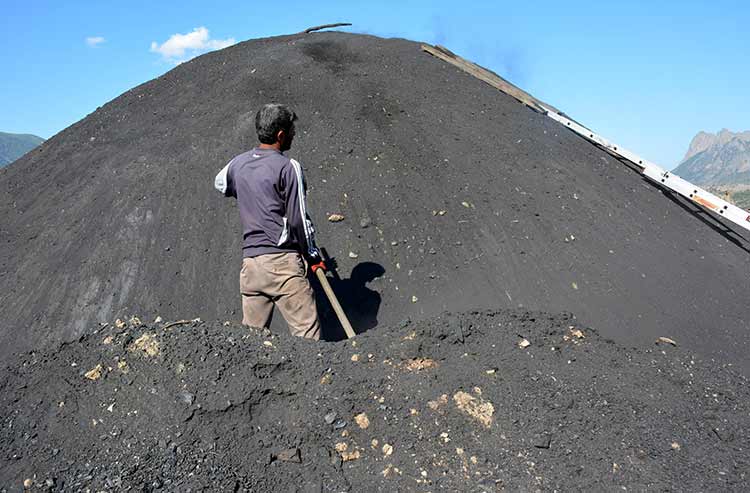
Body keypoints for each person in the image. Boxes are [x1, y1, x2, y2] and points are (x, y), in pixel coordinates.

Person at [214, 103, 323, 340]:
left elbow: (220, 182)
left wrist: (249, 190)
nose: (294, 134)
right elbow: (298, 219)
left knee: (251, 343)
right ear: (281, 135)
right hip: (282, 264)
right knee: (308, 340)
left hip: (251, 267)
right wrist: (313, 255)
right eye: (292, 131)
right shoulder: (288, 167)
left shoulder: (237, 164)